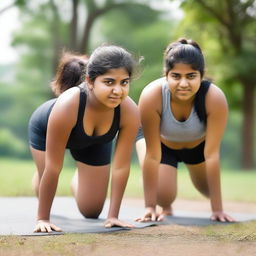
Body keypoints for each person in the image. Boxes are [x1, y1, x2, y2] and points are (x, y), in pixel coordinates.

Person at [28, 45, 140, 232]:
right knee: (47, 174)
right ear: (90, 81)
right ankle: (38, 177)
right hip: (45, 131)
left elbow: (121, 166)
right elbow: (54, 167)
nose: (118, 90)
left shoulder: (129, 110)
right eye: (109, 82)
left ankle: (80, 176)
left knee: (92, 210)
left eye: (124, 82)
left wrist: (113, 216)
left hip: (94, 142)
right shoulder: (68, 104)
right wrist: (43, 219)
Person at [135, 38, 235, 223]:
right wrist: (150, 206)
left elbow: (212, 154)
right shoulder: (152, 95)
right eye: (176, 76)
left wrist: (217, 209)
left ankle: (185, 176)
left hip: (197, 147)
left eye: (190, 76)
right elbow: (152, 155)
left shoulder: (214, 98)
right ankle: (163, 200)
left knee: (207, 190)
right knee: (163, 195)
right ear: (166, 75)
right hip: (160, 146)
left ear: (201, 75)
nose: (183, 83)